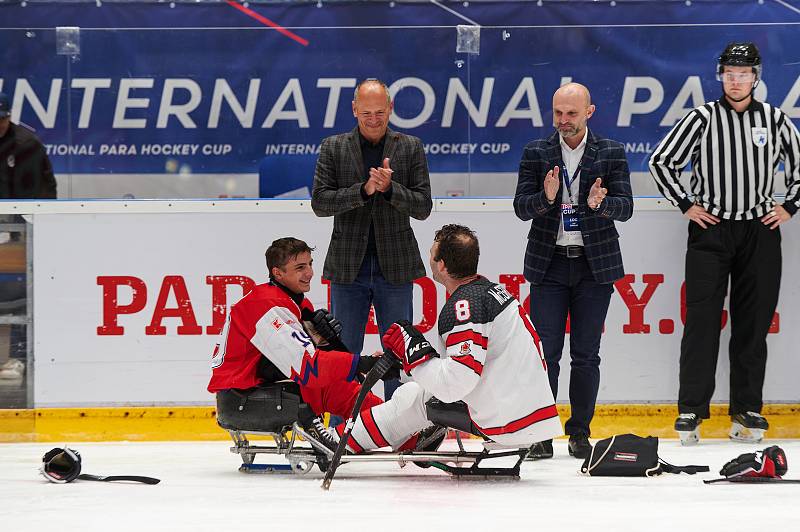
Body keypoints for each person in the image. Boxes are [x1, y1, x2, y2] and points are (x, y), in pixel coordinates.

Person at [649, 42, 800, 445]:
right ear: (721, 75)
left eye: (744, 73)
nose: (736, 80)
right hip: (711, 230)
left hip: (759, 231)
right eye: (730, 73)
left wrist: (789, 206)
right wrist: (686, 204)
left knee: (753, 326)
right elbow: (661, 161)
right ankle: (691, 411)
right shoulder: (701, 118)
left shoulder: (774, 119)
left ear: (756, 76)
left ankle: (747, 408)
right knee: (701, 323)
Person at [322, 224, 562, 454]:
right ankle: (409, 437)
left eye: (432, 254)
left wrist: (415, 355)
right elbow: (471, 366)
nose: (429, 259)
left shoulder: (463, 305)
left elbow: (453, 385)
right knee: (418, 389)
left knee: (413, 398)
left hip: (506, 422)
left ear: (443, 266)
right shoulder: (493, 291)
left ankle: (340, 441)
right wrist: (408, 365)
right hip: (531, 417)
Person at [513, 83, 633, 459]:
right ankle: (542, 433)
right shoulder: (537, 152)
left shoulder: (610, 152)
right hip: (548, 266)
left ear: (589, 112)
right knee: (545, 354)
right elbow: (521, 207)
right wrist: (546, 198)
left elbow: (625, 207)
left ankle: (580, 432)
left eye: (572, 114)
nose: (564, 121)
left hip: (594, 267)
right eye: (558, 113)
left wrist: (601, 204)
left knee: (586, 354)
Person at [311, 78, 432, 399]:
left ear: (391, 109)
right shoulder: (333, 147)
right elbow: (320, 203)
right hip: (347, 268)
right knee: (343, 353)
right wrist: (363, 191)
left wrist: (391, 189)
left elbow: (423, 207)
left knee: (400, 353)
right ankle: (341, 430)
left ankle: (399, 425)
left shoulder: (410, 147)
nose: (374, 119)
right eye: (367, 113)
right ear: (354, 110)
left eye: (380, 112)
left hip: (395, 267)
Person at [207, 237, 385, 448]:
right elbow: (309, 367)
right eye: (300, 267)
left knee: (349, 391)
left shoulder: (294, 301)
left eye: (310, 264)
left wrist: (330, 344)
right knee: (332, 386)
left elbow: (307, 361)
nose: (309, 273)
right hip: (241, 400)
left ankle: (405, 430)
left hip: (262, 389)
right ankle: (326, 437)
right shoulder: (267, 304)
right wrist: (362, 362)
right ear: (278, 273)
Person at [0, 91, 57, 381]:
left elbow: (41, 195)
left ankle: (19, 357)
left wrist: (27, 230)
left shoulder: (26, 145)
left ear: (8, 117)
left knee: (25, 292)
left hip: (20, 235)